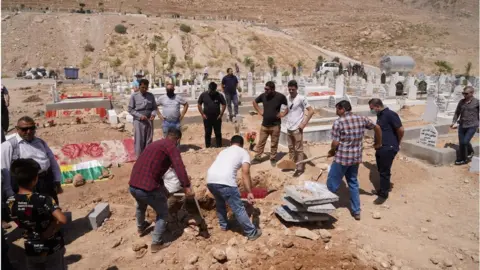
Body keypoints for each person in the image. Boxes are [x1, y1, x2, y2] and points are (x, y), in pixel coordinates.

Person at [129, 128, 193, 253]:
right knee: (163, 212)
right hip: (146, 188)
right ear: (178, 139)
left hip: (133, 184)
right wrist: (186, 186)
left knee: (141, 206)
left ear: (166, 135)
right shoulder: (171, 147)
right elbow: (179, 166)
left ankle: (141, 228)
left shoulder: (155, 145)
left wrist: (163, 188)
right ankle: (156, 243)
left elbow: (155, 170)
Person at [7, 158, 67, 270]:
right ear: (35, 179)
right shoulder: (44, 199)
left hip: (31, 248)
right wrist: (51, 230)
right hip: (52, 247)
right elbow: (62, 219)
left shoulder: (10, 202)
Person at [326, 100, 382, 220]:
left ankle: (326, 207)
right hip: (355, 158)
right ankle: (356, 211)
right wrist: (378, 142)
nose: (336, 112)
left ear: (342, 109)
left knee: (331, 183)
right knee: (353, 183)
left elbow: (335, 143)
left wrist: (331, 151)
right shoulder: (362, 118)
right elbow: (377, 127)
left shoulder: (338, 123)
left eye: (337, 109)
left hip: (342, 159)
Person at [207, 135, 262, 240]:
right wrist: (249, 192)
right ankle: (251, 232)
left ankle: (224, 225)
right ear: (242, 145)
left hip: (210, 180)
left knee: (220, 203)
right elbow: (245, 173)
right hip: (226, 182)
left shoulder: (223, 151)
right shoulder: (243, 152)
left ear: (230, 143)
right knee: (238, 208)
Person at [1, 116, 63, 204]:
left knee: (52, 208)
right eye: (24, 129)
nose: (29, 132)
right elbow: (5, 171)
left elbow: (52, 161)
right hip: (26, 186)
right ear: (17, 129)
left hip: (45, 181)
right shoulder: (8, 146)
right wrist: (9, 192)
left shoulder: (40, 142)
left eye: (32, 128)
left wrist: (57, 181)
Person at [368, 98, 404, 204]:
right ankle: (383, 188)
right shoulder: (380, 115)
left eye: (372, 108)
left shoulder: (390, 114)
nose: (371, 110)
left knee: (384, 171)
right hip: (380, 147)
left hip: (388, 147)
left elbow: (400, 130)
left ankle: (384, 194)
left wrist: (398, 143)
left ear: (378, 106)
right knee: (381, 169)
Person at [252, 81, 288, 167]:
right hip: (264, 125)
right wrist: (260, 111)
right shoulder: (263, 96)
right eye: (265, 88)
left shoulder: (280, 97)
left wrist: (283, 114)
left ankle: (273, 158)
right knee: (261, 142)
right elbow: (254, 102)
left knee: (274, 143)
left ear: (273, 89)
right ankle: (257, 158)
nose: (265, 91)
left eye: (267, 89)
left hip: (275, 126)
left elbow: (288, 106)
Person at [285, 80, 314, 177]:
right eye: (289, 89)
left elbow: (311, 111)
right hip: (289, 127)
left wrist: (303, 123)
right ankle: (291, 164)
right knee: (290, 148)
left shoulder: (301, 98)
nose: (291, 91)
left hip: (297, 128)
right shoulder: (287, 97)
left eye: (293, 89)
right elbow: (287, 110)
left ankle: (299, 168)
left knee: (299, 149)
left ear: (296, 88)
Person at [128, 79, 158, 157]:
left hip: (149, 120)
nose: (144, 89)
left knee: (149, 139)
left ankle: (147, 157)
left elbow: (154, 108)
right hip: (139, 121)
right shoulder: (134, 96)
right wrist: (140, 116)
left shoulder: (151, 96)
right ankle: (139, 158)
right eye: (142, 87)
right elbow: (130, 109)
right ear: (139, 86)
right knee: (139, 140)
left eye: (146, 88)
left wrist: (153, 114)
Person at [451, 86, 479, 165]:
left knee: (465, 141)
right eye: (463, 93)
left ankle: (465, 158)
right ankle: (465, 156)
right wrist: (453, 122)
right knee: (462, 142)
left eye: (466, 93)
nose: (464, 95)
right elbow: (457, 112)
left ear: (471, 93)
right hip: (462, 125)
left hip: (472, 125)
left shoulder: (477, 102)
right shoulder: (461, 102)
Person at [197, 82, 226, 148]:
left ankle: (219, 146)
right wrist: (202, 114)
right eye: (210, 90)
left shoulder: (219, 95)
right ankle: (208, 146)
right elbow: (199, 104)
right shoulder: (203, 95)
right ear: (208, 88)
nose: (211, 92)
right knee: (208, 132)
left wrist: (221, 114)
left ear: (215, 89)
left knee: (218, 132)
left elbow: (224, 104)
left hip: (217, 117)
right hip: (207, 117)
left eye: (213, 91)